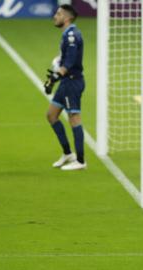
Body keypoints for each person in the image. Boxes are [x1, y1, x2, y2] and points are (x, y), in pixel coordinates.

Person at [44, 4, 86, 170]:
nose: (55, 16)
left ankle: (81, 161)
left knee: (74, 119)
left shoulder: (72, 36)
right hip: (66, 82)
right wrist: (54, 78)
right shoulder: (67, 34)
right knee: (51, 115)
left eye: (59, 13)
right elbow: (64, 59)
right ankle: (68, 153)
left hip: (72, 82)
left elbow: (69, 62)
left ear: (67, 18)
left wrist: (55, 77)